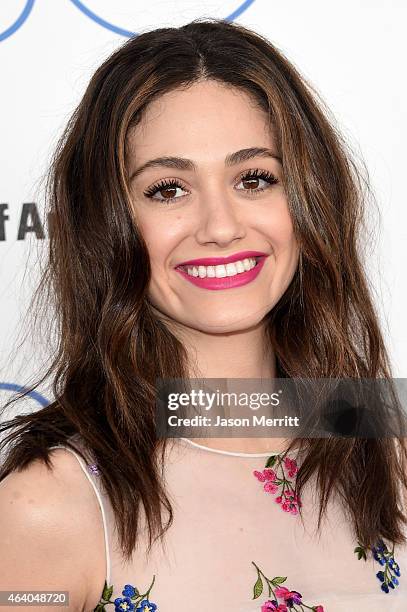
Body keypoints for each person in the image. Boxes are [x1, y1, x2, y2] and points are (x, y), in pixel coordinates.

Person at [0, 18, 406, 612]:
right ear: (107, 224)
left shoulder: (383, 442)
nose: (221, 226)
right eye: (168, 188)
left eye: (255, 178)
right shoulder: (47, 507)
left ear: (308, 198)